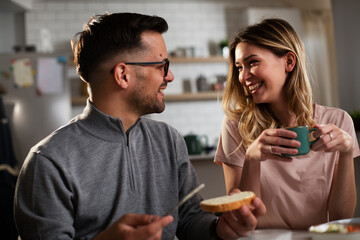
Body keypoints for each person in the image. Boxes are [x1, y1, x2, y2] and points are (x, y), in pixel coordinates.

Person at [14, 12, 266, 240]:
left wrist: (219, 229)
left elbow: (190, 220)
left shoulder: (169, 140)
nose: (170, 76)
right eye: (161, 66)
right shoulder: (47, 161)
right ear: (123, 75)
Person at [214, 18, 360, 230]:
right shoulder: (235, 126)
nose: (243, 77)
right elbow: (244, 221)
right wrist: (252, 158)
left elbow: (341, 216)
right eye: (239, 67)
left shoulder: (337, 122)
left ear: (289, 62)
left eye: (252, 62)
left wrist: (346, 153)